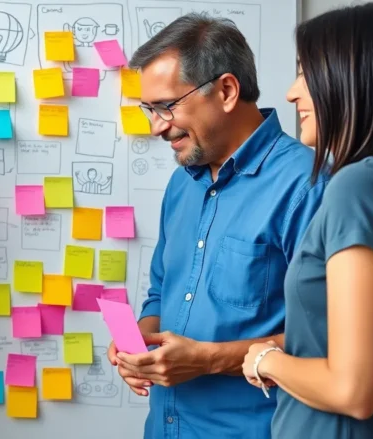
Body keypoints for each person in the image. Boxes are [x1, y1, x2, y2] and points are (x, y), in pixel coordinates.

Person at [106, 13, 328, 439]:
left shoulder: (308, 185)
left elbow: (331, 338)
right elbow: (160, 293)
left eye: (166, 106)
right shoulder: (180, 185)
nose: (156, 126)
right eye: (149, 110)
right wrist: (139, 342)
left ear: (226, 91)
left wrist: (208, 359)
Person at [241, 3, 373, 439]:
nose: (291, 94)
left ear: (351, 79)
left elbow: (354, 389)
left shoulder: (361, 187)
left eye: (306, 74)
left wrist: (266, 361)